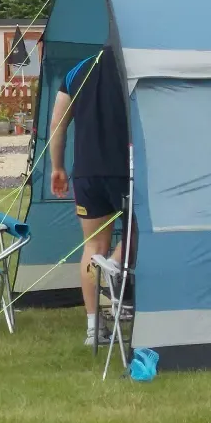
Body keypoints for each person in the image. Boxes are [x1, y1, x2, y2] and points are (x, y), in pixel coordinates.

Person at [48, 46, 133, 345]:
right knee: (141, 232)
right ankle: (114, 266)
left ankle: (93, 329)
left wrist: (57, 166)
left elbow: (58, 124)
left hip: (86, 172)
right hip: (126, 169)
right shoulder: (133, 63)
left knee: (92, 246)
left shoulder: (77, 70)